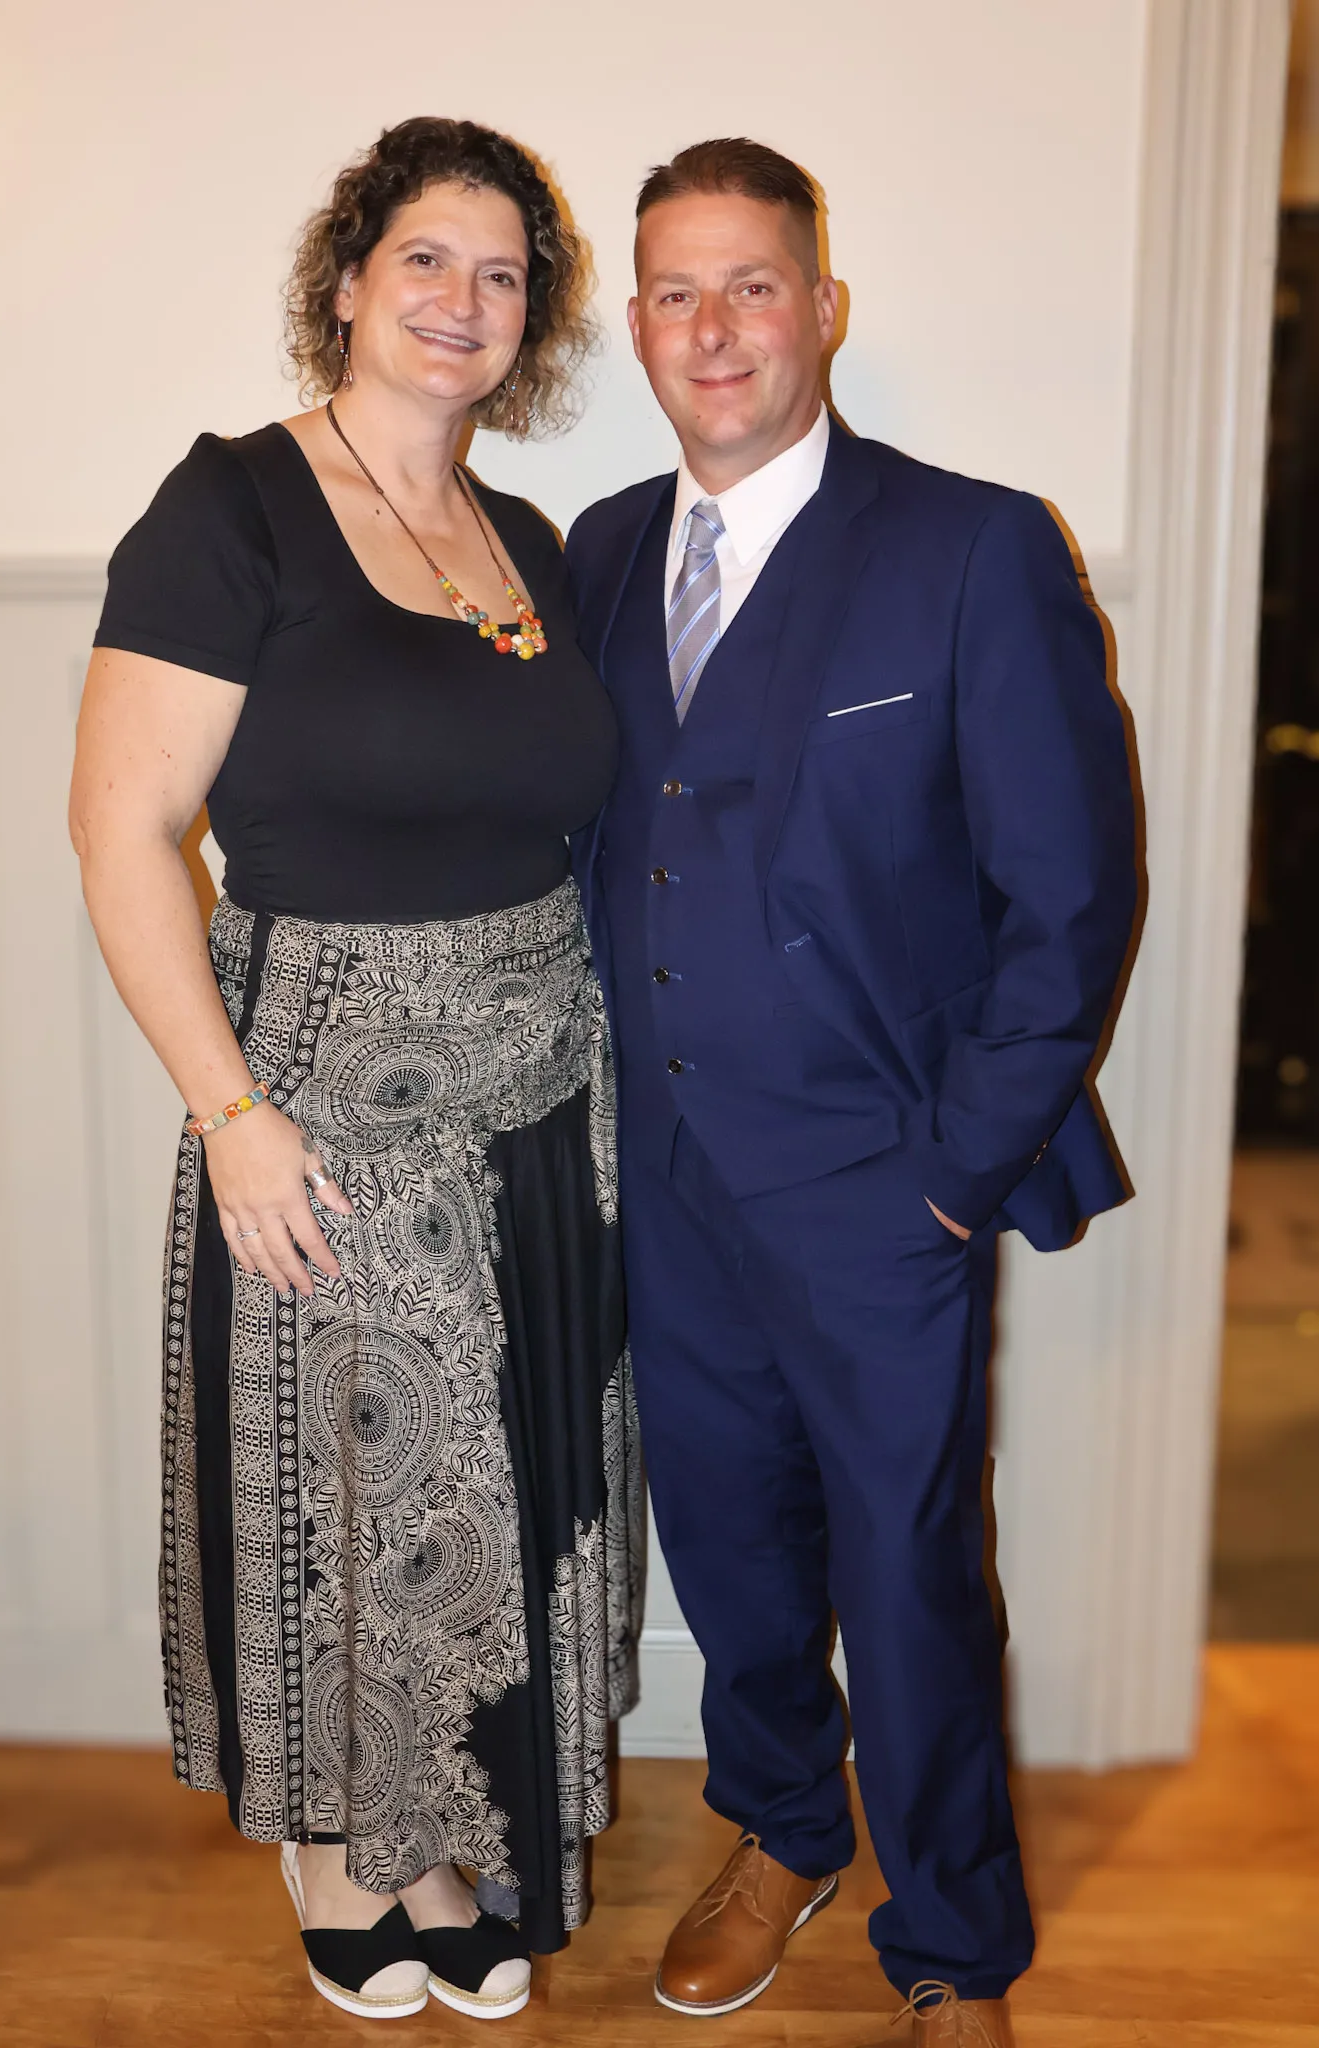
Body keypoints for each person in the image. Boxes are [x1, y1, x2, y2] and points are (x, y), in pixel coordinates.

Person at [69, 116, 643, 2023]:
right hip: (327, 1107)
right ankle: (344, 1853)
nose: (465, 300)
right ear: (345, 280)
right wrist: (231, 1113)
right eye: (427, 259)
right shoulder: (231, 507)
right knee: (353, 1496)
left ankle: (455, 1828)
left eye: (504, 275)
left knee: (499, 1488)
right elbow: (122, 830)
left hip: (542, 1101)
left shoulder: (529, 542)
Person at [565, 139, 1137, 2046]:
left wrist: (958, 1171)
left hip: (886, 1184)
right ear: (637, 325)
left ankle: (956, 1941)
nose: (714, 327)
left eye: (752, 284)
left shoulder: (976, 547)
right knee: (729, 1550)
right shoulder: (598, 553)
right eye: (675, 291)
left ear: (822, 307)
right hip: (666, 1180)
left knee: (907, 1578)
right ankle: (785, 1828)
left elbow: (1071, 896)